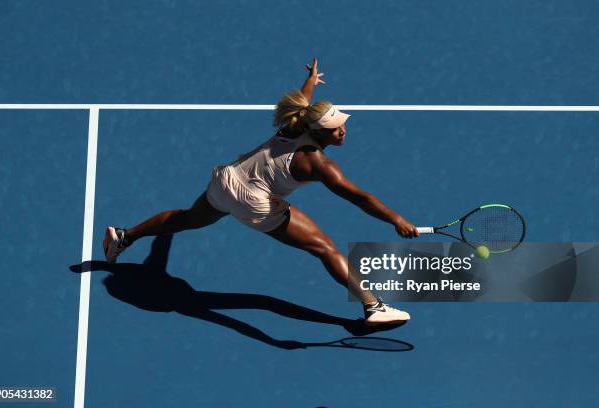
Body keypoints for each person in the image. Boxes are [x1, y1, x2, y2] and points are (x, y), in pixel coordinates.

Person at [103, 59, 419, 326]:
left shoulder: (294, 126)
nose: (343, 129)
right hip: (253, 202)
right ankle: (374, 307)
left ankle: (124, 236)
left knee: (187, 219)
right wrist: (396, 219)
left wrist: (310, 81)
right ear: (320, 131)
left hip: (227, 180)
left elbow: (302, 104)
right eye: (337, 127)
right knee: (324, 248)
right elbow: (359, 197)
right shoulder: (320, 165)